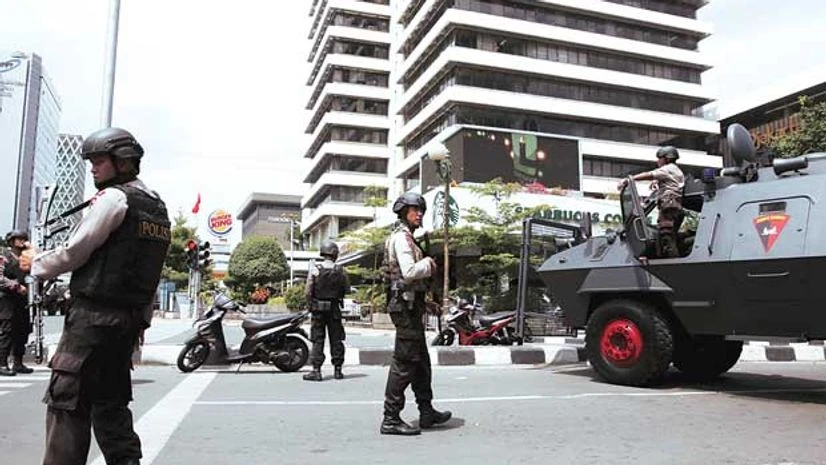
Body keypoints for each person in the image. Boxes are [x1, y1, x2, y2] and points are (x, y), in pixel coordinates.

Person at [24, 127, 171, 465]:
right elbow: (146, 276)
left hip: (92, 320)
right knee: (111, 406)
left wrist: (36, 265)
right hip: (125, 324)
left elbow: (76, 250)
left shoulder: (114, 199)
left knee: (67, 400)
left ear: (123, 162)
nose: (93, 168)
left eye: (99, 161)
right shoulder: (157, 208)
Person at [380, 192, 452, 436]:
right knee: (404, 362)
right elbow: (409, 272)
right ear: (403, 212)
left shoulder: (409, 238)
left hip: (412, 307)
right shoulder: (401, 239)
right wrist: (429, 263)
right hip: (404, 309)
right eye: (414, 210)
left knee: (421, 362)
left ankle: (427, 411)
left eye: (421, 210)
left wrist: (427, 302)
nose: (419, 213)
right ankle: (390, 418)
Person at [617, 145, 685, 258]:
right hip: (675, 206)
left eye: (660, 158)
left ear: (667, 159)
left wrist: (629, 180)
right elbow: (671, 183)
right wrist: (657, 182)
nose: (658, 161)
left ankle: (672, 264)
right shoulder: (676, 170)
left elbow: (649, 174)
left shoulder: (668, 168)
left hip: (669, 206)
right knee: (667, 238)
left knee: (666, 237)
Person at [303, 239, 349, 382]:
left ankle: (316, 371)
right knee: (337, 339)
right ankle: (338, 370)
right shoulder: (341, 271)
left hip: (318, 309)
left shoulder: (315, 270)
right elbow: (346, 289)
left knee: (318, 340)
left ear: (323, 253)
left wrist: (310, 304)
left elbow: (308, 291)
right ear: (335, 254)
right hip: (335, 309)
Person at [0, 230, 32, 376]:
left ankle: (18, 362)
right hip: (7, 298)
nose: (21, 241)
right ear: (11, 241)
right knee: (7, 330)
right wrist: (16, 286)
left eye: (23, 239)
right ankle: (2, 363)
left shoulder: (28, 257)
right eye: (18, 239)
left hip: (23, 299)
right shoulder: (4, 255)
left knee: (23, 329)